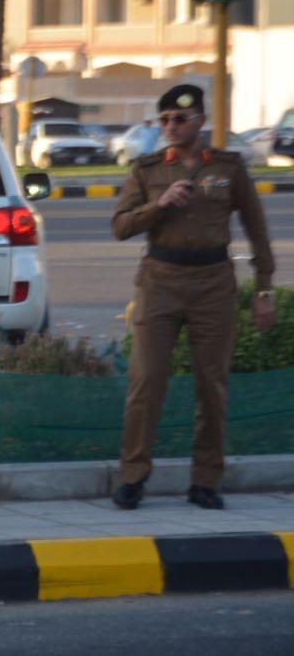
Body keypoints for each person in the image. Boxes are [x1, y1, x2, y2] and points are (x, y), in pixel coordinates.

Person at [112, 83, 277, 511]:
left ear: (200, 121)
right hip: (160, 281)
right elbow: (121, 226)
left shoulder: (228, 167)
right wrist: (160, 204)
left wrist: (263, 289)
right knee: (146, 381)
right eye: (165, 119)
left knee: (212, 385)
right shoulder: (146, 170)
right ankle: (133, 476)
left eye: (180, 119)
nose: (171, 126)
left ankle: (205, 481)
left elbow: (257, 228)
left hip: (212, 284)